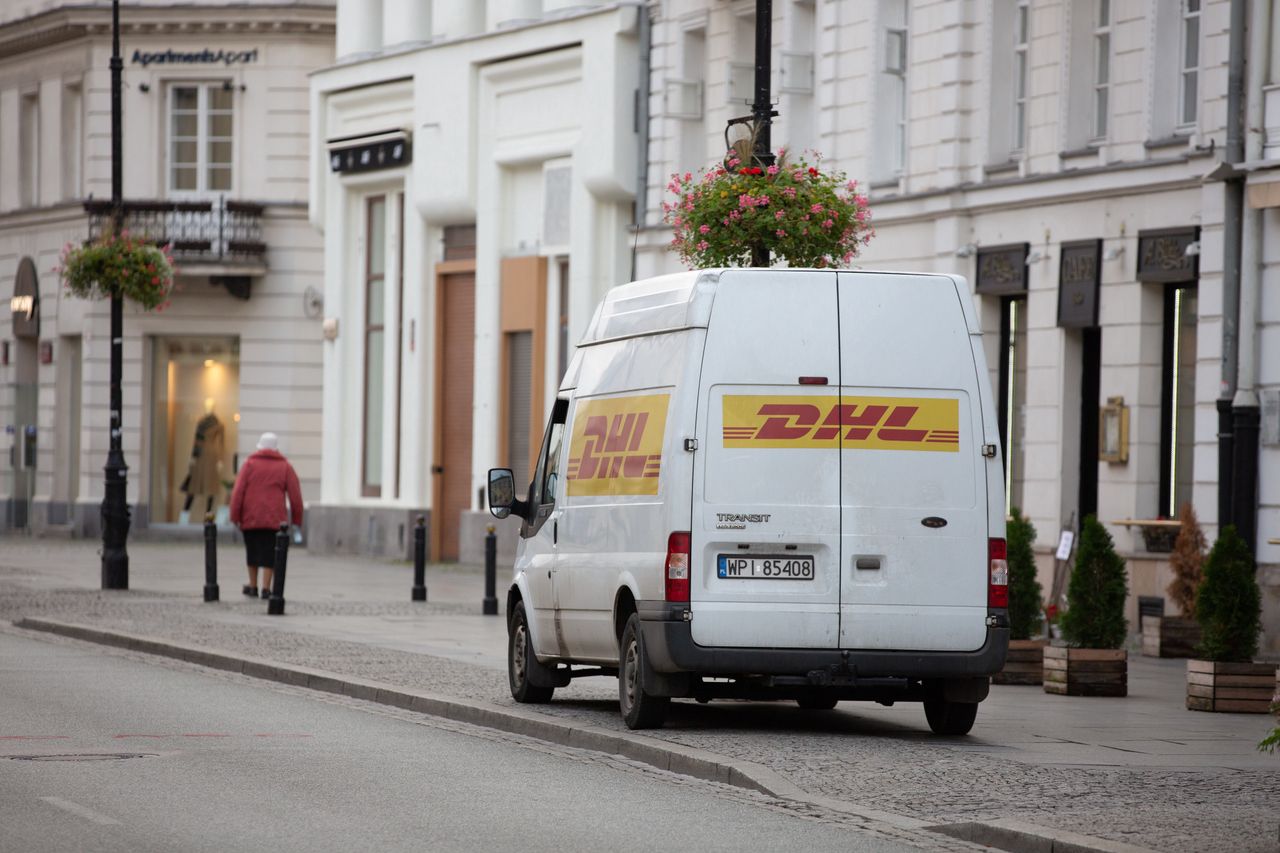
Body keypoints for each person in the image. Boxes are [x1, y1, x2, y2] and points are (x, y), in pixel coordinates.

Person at [229, 432, 303, 599]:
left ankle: (253, 585)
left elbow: (238, 492)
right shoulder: (285, 466)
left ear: (260, 447)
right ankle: (266, 588)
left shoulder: (249, 464)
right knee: (271, 553)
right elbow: (295, 496)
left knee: (252, 551)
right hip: (274, 519)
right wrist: (297, 520)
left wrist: (234, 516)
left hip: (251, 517)